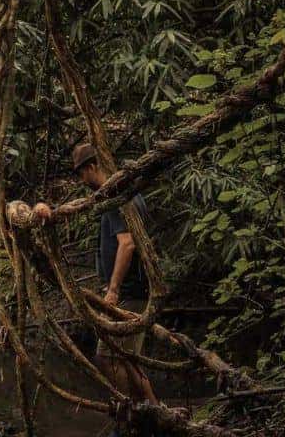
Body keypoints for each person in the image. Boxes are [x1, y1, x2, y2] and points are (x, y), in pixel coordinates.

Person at [71, 142, 160, 408]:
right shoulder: (127, 191)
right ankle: (150, 412)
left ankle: (137, 412)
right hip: (137, 287)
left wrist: (113, 289)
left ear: (91, 167)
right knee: (128, 358)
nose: (82, 180)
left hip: (129, 291)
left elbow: (127, 243)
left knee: (109, 356)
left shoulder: (115, 196)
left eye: (81, 173)